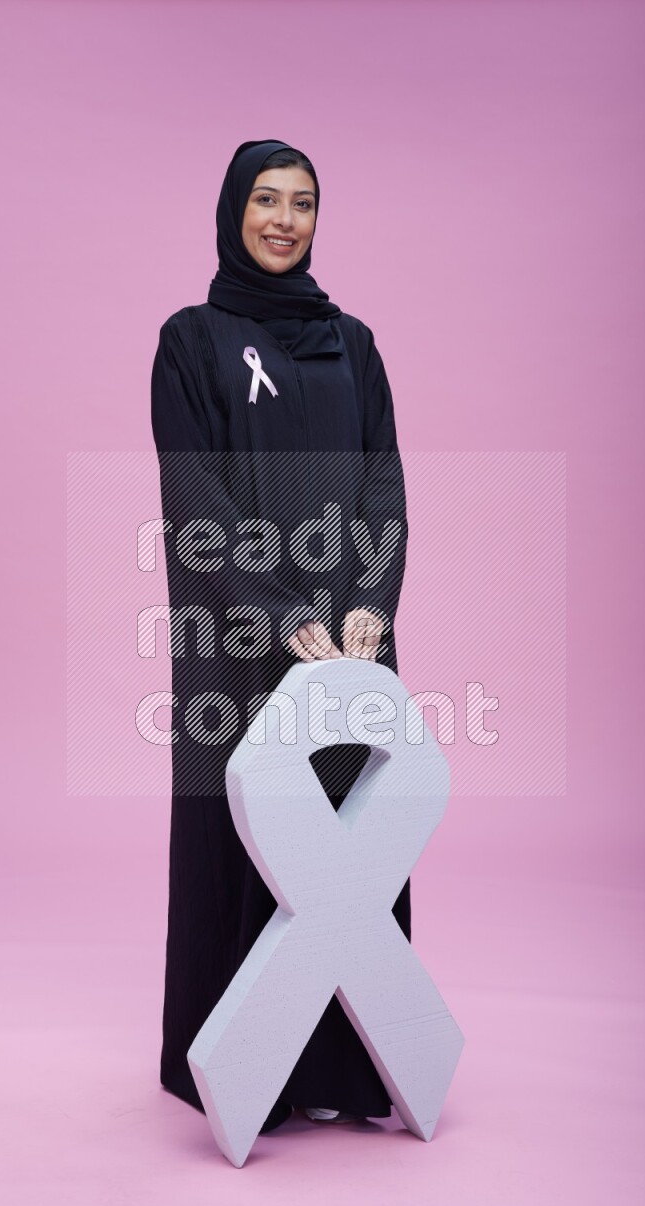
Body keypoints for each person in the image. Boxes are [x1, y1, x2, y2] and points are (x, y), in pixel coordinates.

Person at [150, 139, 409, 1131]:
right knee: (246, 838)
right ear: (233, 208)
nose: (283, 220)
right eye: (265, 199)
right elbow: (194, 495)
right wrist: (282, 613)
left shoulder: (353, 343)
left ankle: (341, 1073)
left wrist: (369, 604)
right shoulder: (191, 341)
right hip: (241, 637)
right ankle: (239, 1075)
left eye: (302, 203)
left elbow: (383, 477)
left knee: (350, 838)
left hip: (349, 644)